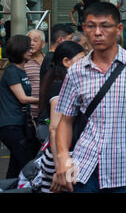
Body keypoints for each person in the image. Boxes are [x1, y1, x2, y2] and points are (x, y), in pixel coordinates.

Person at [53, 2, 126, 193]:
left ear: (119, 29)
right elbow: (65, 121)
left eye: (104, 25)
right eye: (91, 26)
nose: (97, 32)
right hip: (85, 168)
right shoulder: (76, 71)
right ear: (84, 29)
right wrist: (63, 156)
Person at [38, 41, 85, 193]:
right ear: (66, 62)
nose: (85, 65)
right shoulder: (60, 86)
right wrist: (60, 166)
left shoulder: (58, 81)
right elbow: (54, 128)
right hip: (60, 158)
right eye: (81, 60)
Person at [0, 35, 40, 178]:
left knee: (16, 166)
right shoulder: (12, 71)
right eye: (27, 48)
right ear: (20, 50)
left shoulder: (21, 70)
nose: (31, 50)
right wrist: (44, 100)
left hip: (19, 123)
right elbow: (22, 98)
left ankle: (8, 187)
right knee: (26, 162)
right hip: (10, 125)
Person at [24, 29, 46, 120]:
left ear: (43, 44)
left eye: (35, 40)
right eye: (29, 41)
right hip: (29, 113)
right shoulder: (23, 63)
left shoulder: (49, 60)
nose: (31, 43)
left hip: (48, 112)